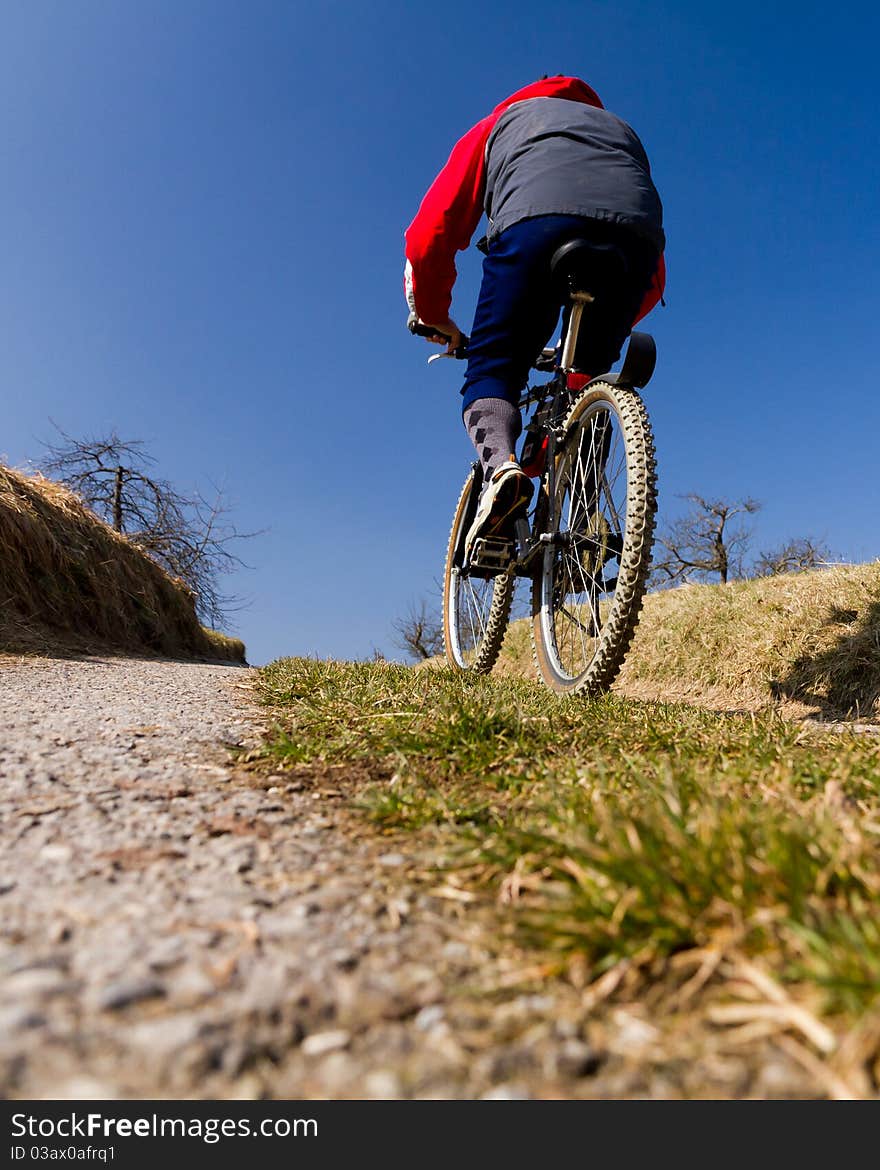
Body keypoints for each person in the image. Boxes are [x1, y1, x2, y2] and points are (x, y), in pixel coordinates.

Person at [404, 75, 666, 555]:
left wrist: (434, 315)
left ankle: (502, 469)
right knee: (587, 380)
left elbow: (430, 234)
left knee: (494, 367)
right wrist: (599, 333)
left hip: (535, 228)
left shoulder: (500, 123)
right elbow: (652, 277)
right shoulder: (622, 132)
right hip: (635, 249)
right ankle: (589, 518)